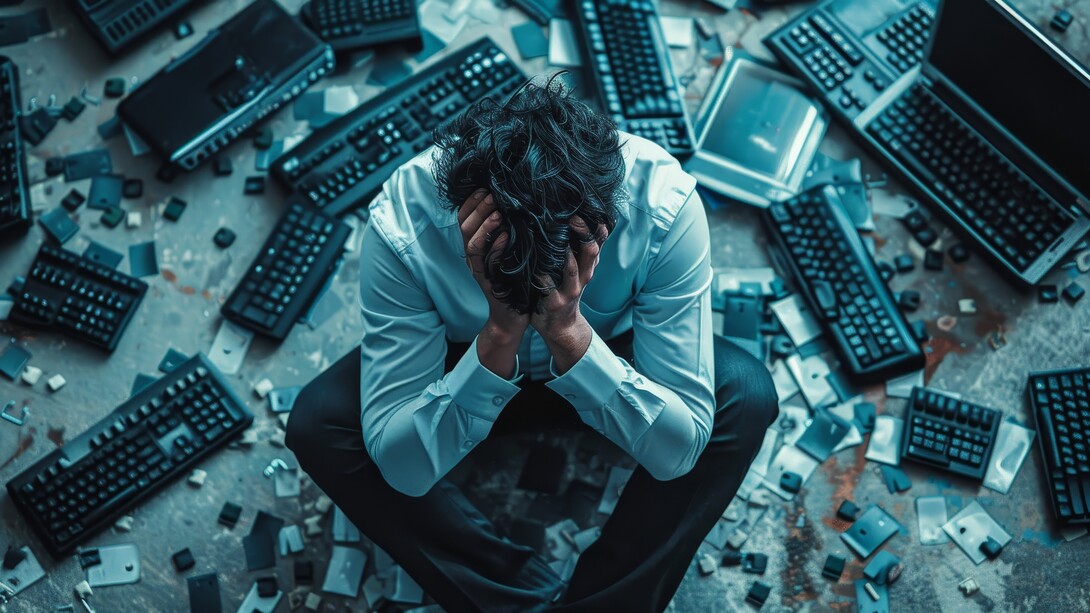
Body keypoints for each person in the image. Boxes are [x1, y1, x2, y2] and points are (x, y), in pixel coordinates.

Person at [286, 76, 778, 612]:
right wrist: (500, 330)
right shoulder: (404, 226)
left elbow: (677, 453)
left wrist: (567, 328)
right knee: (318, 424)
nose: (540, 290)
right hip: (467, 358)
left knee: (745, 393)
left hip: (605, 351)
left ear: (603, 223)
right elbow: (404, 468)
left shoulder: (662, 204)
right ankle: (523, 600)